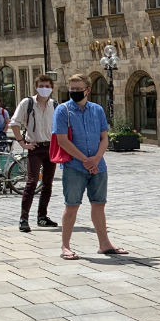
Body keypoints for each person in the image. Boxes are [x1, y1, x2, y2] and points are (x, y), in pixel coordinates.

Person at [53, 74, 126, 260]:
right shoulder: (63, 110)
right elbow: (62, 140)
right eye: (72, 89)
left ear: (87, 90)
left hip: (98, 166)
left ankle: (104, 244)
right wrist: (86, 160)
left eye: (78, 89)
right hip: (74, 166)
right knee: (72, 206)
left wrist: (97, 158)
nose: (74, 92)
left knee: (99, 204)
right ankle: (65, 246)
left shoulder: (97, 110)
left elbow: (104, 137)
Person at [10, 75, 59, 233]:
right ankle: (24, 218)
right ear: (36, 87)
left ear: (51, 88)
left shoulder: (55, 105)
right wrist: (22, 142)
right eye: (41, 85)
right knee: (31, 182)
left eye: (47, 85)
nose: (44, 88)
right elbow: (14, 123)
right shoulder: (28, 103)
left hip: (51, 147)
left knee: (47, 184)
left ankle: (42, 216)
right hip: (35, 147)